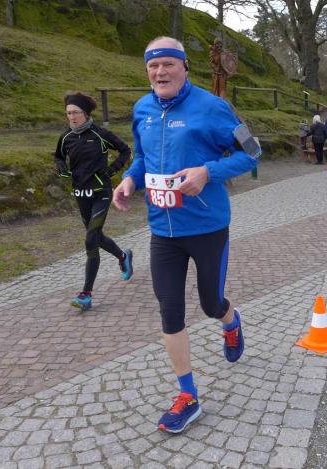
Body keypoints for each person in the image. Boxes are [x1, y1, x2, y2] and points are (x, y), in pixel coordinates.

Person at [112, 36, 260, 434]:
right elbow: (142, 158)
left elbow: (252, 152)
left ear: (184, 67)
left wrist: (208, 172)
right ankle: (188, 395)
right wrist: (129, 180)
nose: (160, 72)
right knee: (170, 311)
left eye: (167, 64)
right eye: (153, 66)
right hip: (162, 230)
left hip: (207, 227)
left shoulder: (213, 107)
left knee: (211, 303)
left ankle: (230, 321)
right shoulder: (142, 109)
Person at [54, 92, 133, 311]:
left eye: (75, 112)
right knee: (96, 237)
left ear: (86, 113)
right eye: (68, 113)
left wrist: (112, 170)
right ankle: (123, 256)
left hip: (101, 193)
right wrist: (61, 168)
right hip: (80, 194)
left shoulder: (100, 134)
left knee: (91, 239)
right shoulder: (66, 137)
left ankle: (86, 294)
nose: (72, 117)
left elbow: (125, 150)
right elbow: (58, 156)